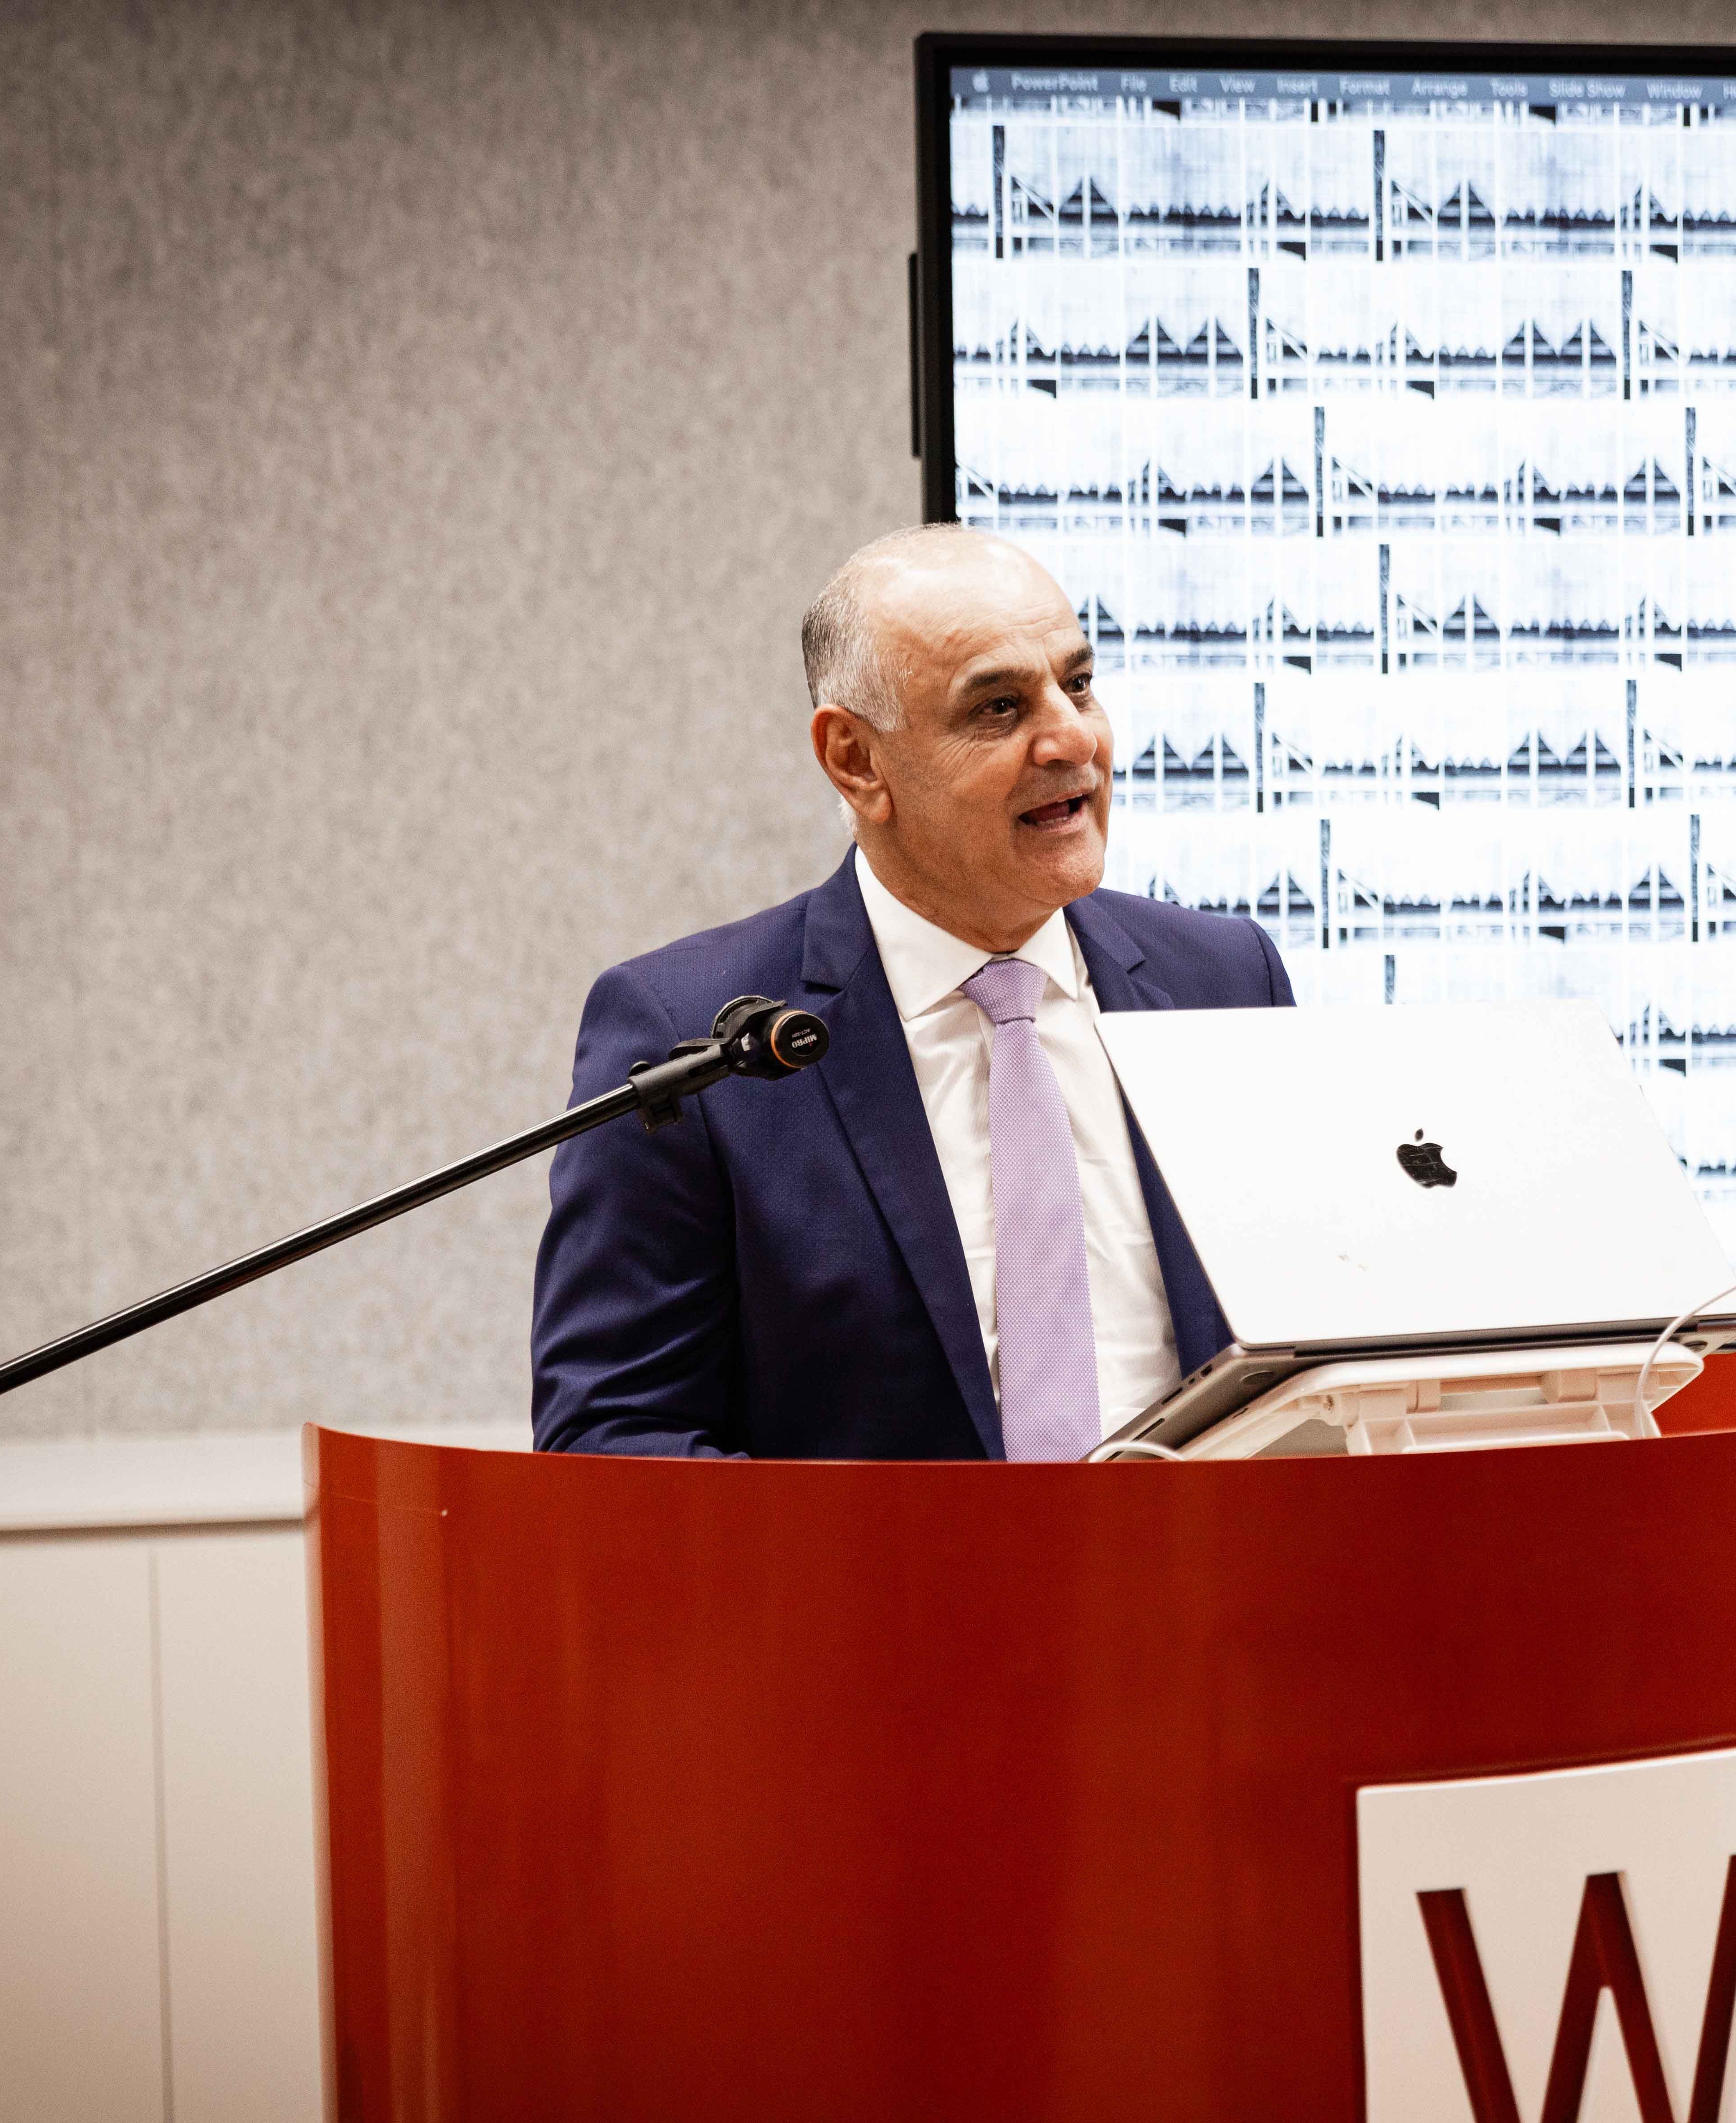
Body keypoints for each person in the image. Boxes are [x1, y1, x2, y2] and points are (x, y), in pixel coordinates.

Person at [531, 524, 1294, 1461]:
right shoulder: (693, 1040)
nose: (1071, 737)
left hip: (1205, 1596)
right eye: (1000, 708)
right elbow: (610, 1439)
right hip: (877, 1604)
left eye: (1079, 683)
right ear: (856, 760)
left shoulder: (1222, 979)